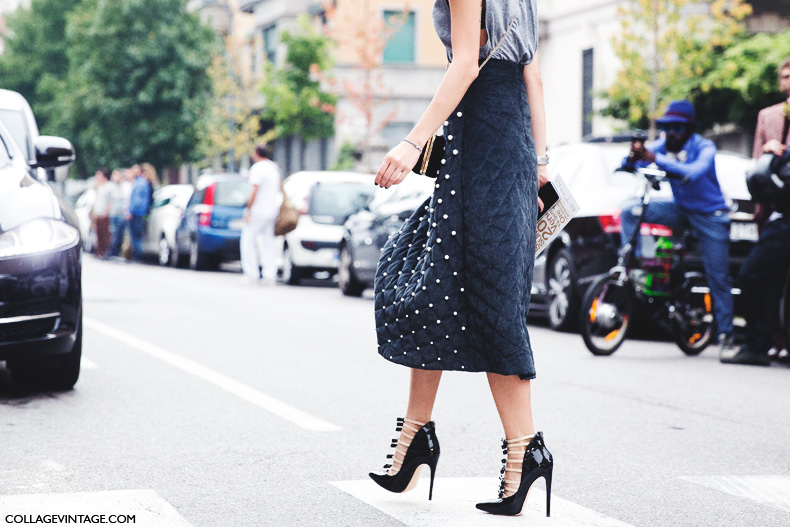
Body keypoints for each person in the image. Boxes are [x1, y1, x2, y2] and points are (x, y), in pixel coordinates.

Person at [369, 0, 553, 516]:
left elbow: (466, 64)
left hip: (481, 143)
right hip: (505, 142)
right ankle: (415, 437)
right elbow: (532, 76)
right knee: (431, 285)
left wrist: (412, 142)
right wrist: (539, 163)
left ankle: (525, 449)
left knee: (492, 303)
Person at [620, 100, 736, 355]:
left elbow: (693, 172)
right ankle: (638, 265)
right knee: (630, 211)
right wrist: (633, 156)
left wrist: (655, 158)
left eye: (677, 128)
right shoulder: (664, 145)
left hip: (710, 215)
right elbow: (634, 162)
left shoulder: (704, 147)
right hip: (681, 208)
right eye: (666, 127)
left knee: (718, 277)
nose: (670, 133)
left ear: (689, 129)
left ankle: (727, 336)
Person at [722, 60, 790, 366]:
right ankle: (761, 344)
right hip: (776, 209)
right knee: (763, 279)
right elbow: (755, 166)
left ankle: (761, 344)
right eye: (785, 76)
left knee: (756, 276)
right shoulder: (769, 115)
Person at [241, 144, 283, 284]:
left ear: (257, 153)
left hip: (258, 211)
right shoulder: (274, 168)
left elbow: (254, 190)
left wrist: (248, 210)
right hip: (272, 211)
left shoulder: (258, 168)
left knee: (248, 240)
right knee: (268, 243)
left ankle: (251, 274)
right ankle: (270, 275)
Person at [128, 164, 151, 262]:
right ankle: (137, 255)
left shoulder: (140, 183)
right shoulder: (141, 182)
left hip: (137, 212)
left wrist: (131, 211)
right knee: (136, 235)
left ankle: (137, 256)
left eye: (135, 169)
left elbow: (137, 200)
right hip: (139, 212)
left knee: (136, 235)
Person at [110, 168, 133, 258]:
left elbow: (126, 200)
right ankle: (113, 252)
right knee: (114, 233)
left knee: (119, 234)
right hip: (113, 213)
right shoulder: (112, 186)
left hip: (121, 214)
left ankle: (116, 253)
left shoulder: (125, 186)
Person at [90, 166, 113, 258]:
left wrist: (106, 211)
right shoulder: (99, 187)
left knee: (104, 234)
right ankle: (99, 252)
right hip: (98, 213)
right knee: (98, 234)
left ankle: (104, 252)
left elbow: (110, 201)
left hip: (104, 214)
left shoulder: (109, 187)